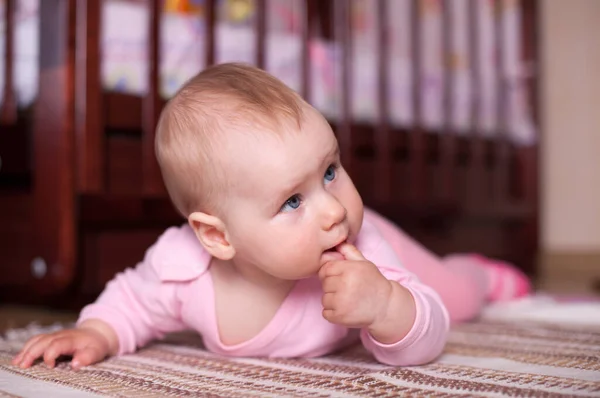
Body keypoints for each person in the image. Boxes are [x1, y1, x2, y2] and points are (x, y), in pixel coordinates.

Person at [12, 63, 531, 371]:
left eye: (330, 170)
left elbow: (429, 332)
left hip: (390, 244)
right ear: (216, 236)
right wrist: (98, 332)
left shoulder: (359, 248)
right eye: (292, 201)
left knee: (457, 296)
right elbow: (134, 301)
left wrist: (386, 305)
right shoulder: (184, 267)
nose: (333, 209)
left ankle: (483, 274)